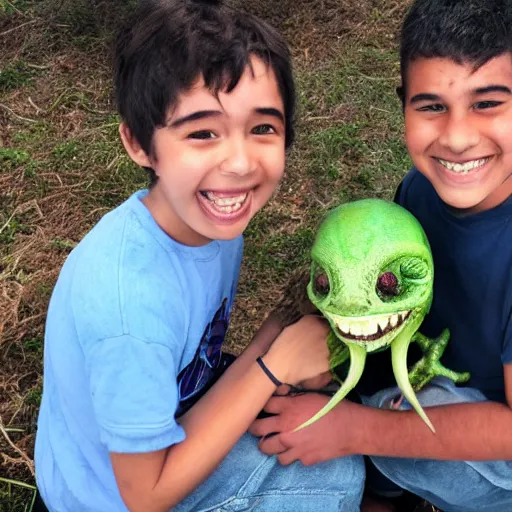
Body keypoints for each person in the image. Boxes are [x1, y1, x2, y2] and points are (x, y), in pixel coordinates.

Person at [33, 1, 365, 511]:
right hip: (109, 495)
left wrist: (274, 334)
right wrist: (273, 369)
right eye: (202, 132)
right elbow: (145, 496)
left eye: (262, 129)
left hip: (159, 425)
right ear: (139, 143)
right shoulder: (129, 309)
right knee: (335, 478)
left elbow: (198, 366)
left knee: (318, 411)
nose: (238, 162)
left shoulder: (207, 221)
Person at [249, 0, 512, 511]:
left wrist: (357, 431)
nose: (457, 137)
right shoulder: (417, 191)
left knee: (400, 406)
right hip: (420, 368)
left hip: (493, 446)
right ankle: (389, 489)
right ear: (403, 104)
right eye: (431, 105)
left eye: (488, 103)